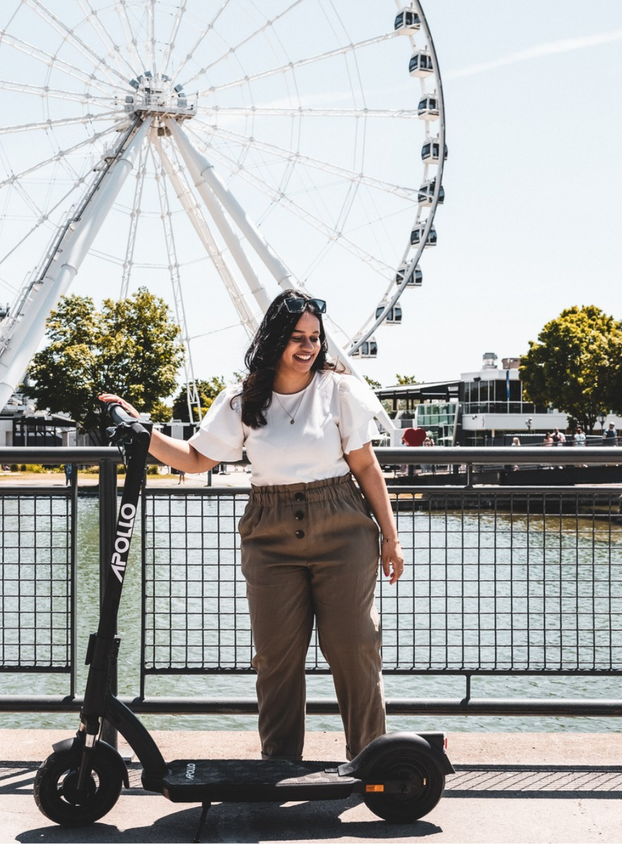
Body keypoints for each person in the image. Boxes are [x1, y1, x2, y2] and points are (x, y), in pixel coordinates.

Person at [100, 290, 401, 762]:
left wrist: (390, 538)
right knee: (276, 660)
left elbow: (365, 467)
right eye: (297, 337)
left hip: (342, 525)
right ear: (275, 339)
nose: (308, 347)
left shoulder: (340, 392)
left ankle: (372, 758)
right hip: (270, 530)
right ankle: (278, 765)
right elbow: (197, 459)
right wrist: (144, 431)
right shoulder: (244, 399)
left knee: (354, 648)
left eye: (315, 338)